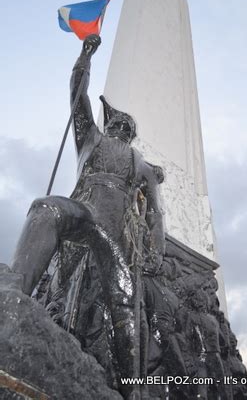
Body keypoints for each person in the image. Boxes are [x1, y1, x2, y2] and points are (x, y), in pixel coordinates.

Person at [11, 34, 166, 400]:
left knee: (125, 306)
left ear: (129, 132)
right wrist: (84, 57)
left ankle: (133, 388)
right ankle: (13, 293)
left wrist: (155, 248)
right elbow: (78, 96)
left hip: (120, 237)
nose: (118, 128)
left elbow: (156, 212)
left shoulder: (142, 164)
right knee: (45, 207)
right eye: (115, 124)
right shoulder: (90, 138)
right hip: (87, 214)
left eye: (124, 126)